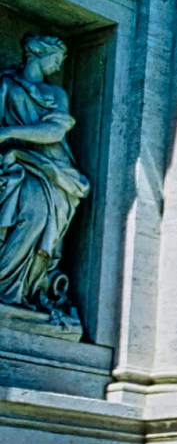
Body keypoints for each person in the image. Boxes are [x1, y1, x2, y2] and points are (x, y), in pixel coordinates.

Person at [0, 33, 90, 317]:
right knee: (30, 213)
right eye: (58, 57)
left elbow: (54, 131)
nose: (61, 63)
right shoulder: (5, 85)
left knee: (39, 217)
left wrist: (9, 132)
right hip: (16, 164)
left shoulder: (56, 94)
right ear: (38, 54)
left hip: (53, 169)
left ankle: (19, 290)